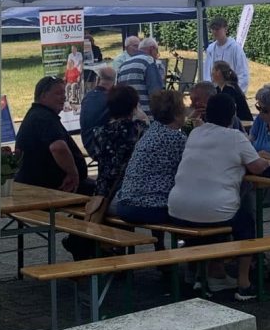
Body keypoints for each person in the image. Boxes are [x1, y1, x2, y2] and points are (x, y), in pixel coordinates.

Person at [168, 93, 270, 301]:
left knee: (210, 215)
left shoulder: (195, 134)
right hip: (214, 210)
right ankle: (244, 283)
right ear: (232, 115)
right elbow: (258, 168)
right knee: (246, 221)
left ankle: (205, 275)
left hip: (177, 208)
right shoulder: (235, 137)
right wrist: (267, 159)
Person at [116, 89, 188, 229]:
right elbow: (191, 170)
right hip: (149, 208)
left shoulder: (151, 131)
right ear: (176, 114)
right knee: (197, 213)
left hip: (125, 204)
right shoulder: (177, 138)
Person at [15, 76, 91, 194]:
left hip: (45, 186)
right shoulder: (44, 118)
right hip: (51, 189)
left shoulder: (38, 114)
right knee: (104, 198)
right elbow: (58, 148)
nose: (64, 97)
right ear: (43, 96)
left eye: (64, 93)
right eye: (58, 93)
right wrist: (73, 173)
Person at [88, 85, 148, 208]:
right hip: (127, 193)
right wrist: (146, 119)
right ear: (134, 106)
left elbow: (97, 156)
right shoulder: (139, 129)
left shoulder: (99, 132)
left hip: (102, 195)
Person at [117, 36, 165, 115]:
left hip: (128, 114)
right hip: (146, 114)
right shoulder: (148, 61)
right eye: (157, 51)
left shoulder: (123, 65)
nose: (157, 54)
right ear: (152, 48)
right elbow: (155, 92)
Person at [202, 16, 250, 92]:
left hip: (231, 92)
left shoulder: (235, 48)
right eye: (213, 29)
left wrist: (237, 92)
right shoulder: (211, 49)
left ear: (225, 29)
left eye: (217, 29)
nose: (214, 32)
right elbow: (207, 73)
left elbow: (243, 74)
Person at [79, 65, 115, 159]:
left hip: (89, 144)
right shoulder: (112, 99)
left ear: (98, 79)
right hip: (104, 148)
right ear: (114, 82)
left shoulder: (87, 97)